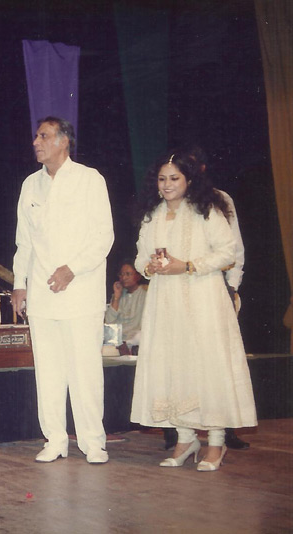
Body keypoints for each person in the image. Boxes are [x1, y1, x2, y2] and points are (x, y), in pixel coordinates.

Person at [130, 151, 257, 472]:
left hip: (203, 298)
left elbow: (227, 252)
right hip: (165, 301)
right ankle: (186, 440)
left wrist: (187, 265)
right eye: (162, 179)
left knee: (207, 366)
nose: (167, 184)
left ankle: (216, 442)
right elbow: (140, 257)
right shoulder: (153, 214)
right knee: (174, 366)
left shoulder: (207, 210)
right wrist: (149, 267)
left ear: (189, 180)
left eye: (174, 178)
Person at [12, 117, 114, 464]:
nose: (36, 142)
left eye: (43, 136)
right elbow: (24, 241)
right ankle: (55, 439)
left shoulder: (89, 179)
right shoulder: (30, 185)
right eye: (36, 136)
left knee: (84, 369)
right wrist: (19, 284)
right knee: (49, 371)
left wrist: (72, 268)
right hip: (41, 295)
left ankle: (93, 442)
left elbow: (103, 236)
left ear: (63, 141)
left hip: (81, 291)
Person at [104, 260, 147, 354]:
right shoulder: (118, 295)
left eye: (128, 274)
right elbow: (108, 322)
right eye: (121, 274)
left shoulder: (145, 294)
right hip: (117, 343)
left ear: (138, 276)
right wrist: (116, 297)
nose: (124, 278)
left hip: (136, 342)